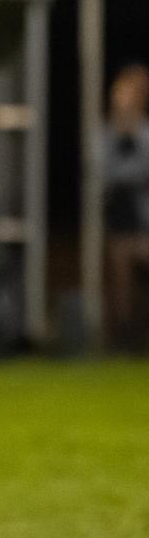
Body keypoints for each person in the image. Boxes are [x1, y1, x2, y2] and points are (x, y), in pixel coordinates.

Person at [103, 63, 149, 348]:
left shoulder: (145, 133)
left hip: (145, 220)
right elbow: (105, 172)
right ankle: (125, 339)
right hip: (120, 220)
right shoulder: (107, 134)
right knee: (122, 285)